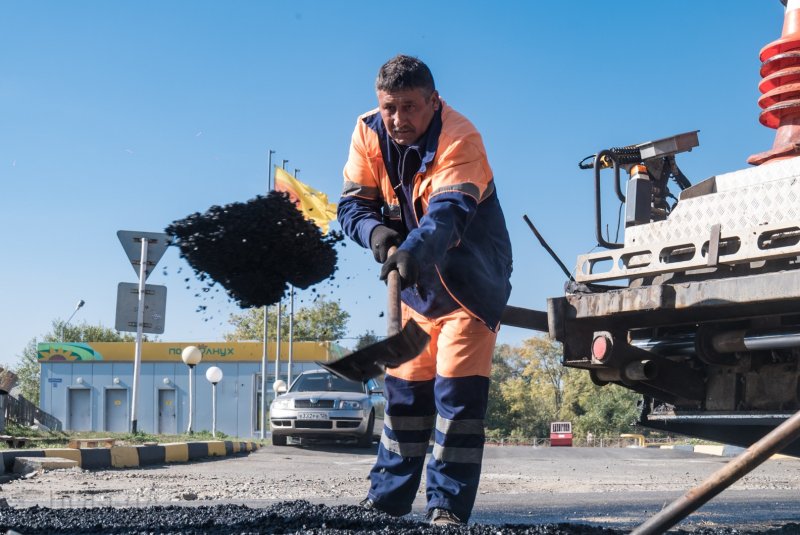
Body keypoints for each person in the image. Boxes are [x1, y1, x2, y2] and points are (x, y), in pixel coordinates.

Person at [337, 54, 513, 526]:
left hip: (468, 290)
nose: (398, 119)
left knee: (455, 401)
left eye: (410, 107)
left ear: (433, 102)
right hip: (416, 294)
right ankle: (388, 503)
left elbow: (448, 214)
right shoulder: (368, 131)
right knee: (404, 400)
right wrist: (379, 236)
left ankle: (446, 510)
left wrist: (411, 252)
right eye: (390, 107)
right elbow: (352, 206)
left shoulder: (461, 137)